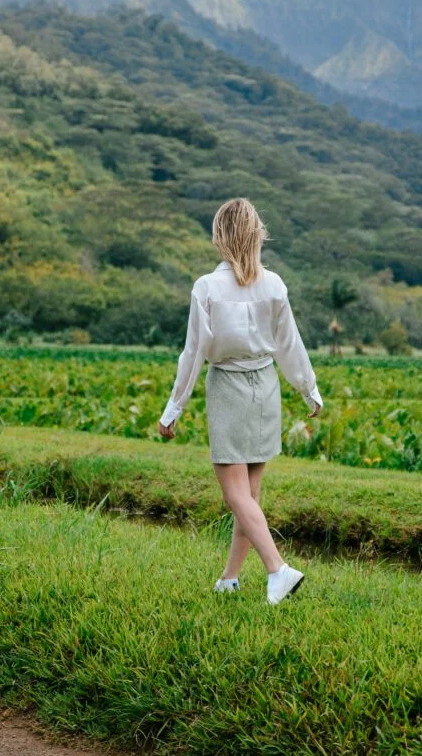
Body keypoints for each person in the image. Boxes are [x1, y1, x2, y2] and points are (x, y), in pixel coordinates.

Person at [158, 198, 322, 604]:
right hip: (265, 387)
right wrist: (308, 388)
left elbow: (193, 353)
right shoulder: (274, 284)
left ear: (220, 238)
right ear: (257, 236)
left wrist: (172, 409)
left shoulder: (208, 287)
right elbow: (290, 345)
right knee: (249, 494)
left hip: (229, 387)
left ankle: (278, 570)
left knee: (235, 495)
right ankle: (230, 577)